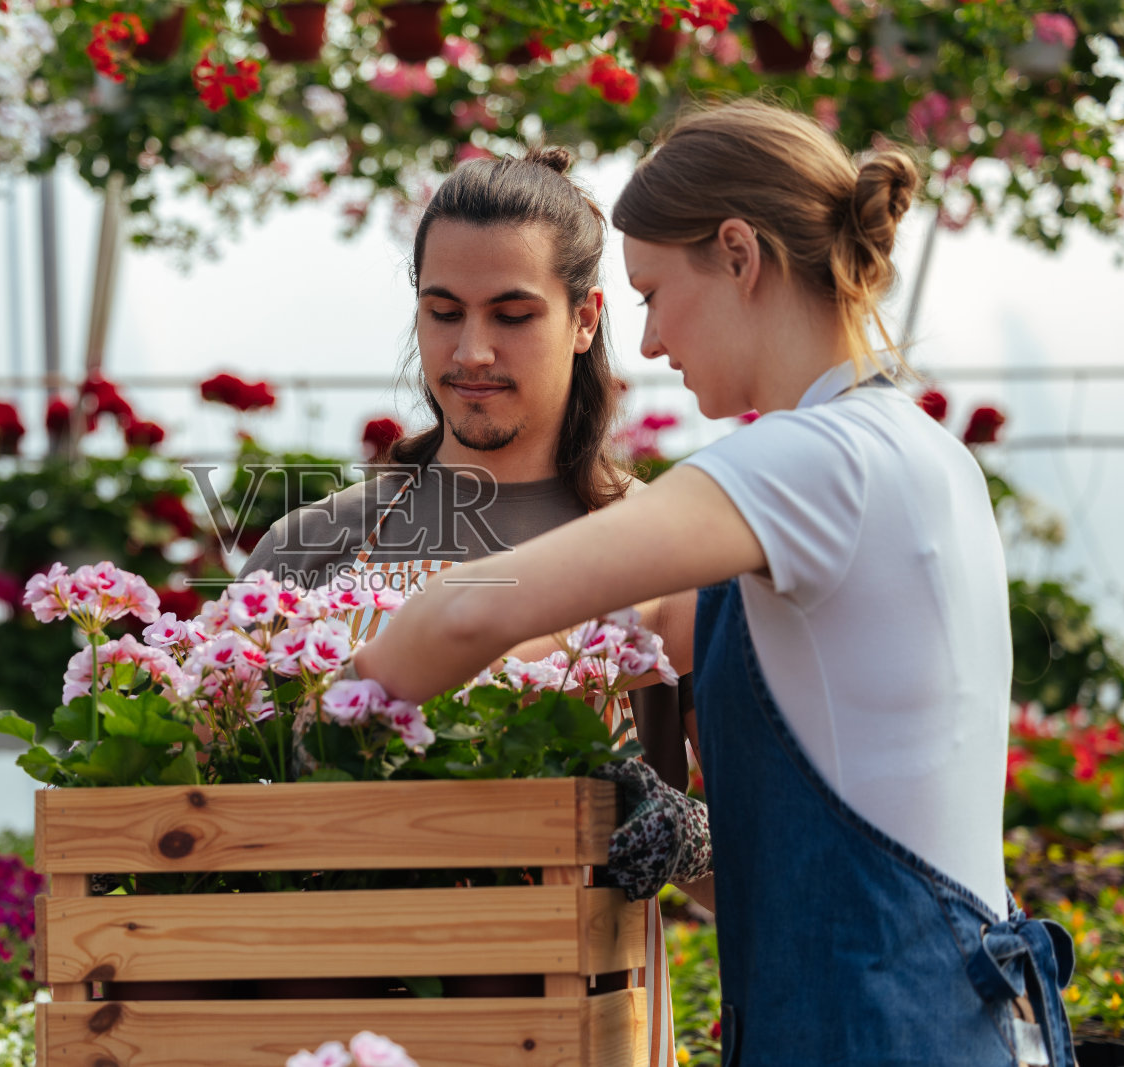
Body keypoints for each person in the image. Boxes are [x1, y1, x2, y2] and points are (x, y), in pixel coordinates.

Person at [351, 99, 1076, 1067]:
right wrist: (672, 830)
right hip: (934, 1017)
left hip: (873, 1034)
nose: (647, 345)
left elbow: (479, 605)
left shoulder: (817, 461)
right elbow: (639, 624)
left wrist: (326, 700)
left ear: (738, 254)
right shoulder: (915, 451)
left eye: (650, 292)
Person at [238, 145, 700, 1067]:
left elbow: (740, 865)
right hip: (338, 1024)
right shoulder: (313, 547)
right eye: (442, 312)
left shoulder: (660, 552)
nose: (470, 350)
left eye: (512, 314)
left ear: (584, 319)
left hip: (571, 1028)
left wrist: (680, 837)